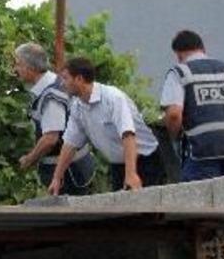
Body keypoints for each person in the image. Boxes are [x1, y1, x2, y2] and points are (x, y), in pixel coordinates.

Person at [48, 57, 166, 194]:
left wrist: (131, 174)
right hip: (118, 164)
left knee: (146, 209)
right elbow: (70, 143)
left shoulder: (113, 98)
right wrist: (57, 178)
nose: (62, 83)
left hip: (145, 161)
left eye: (65, 78)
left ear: (79, 79)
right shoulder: (77, 106)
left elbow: (128, 135)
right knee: (120, 210)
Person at [160, 29, 224, 181]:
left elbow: (173, 115)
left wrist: (176, 140)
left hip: (201, 153)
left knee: (199, 202)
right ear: (203, 48)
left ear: (178, 54)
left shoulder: (180, 72)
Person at [13, 43, 95, 194]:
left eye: (18, 64)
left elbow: (51, 139)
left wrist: (29, 159)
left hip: (68, 172)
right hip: (74, 167)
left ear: (30, 67)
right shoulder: (54, 82)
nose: (15, 70)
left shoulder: (51, 97)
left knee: (68, 215)